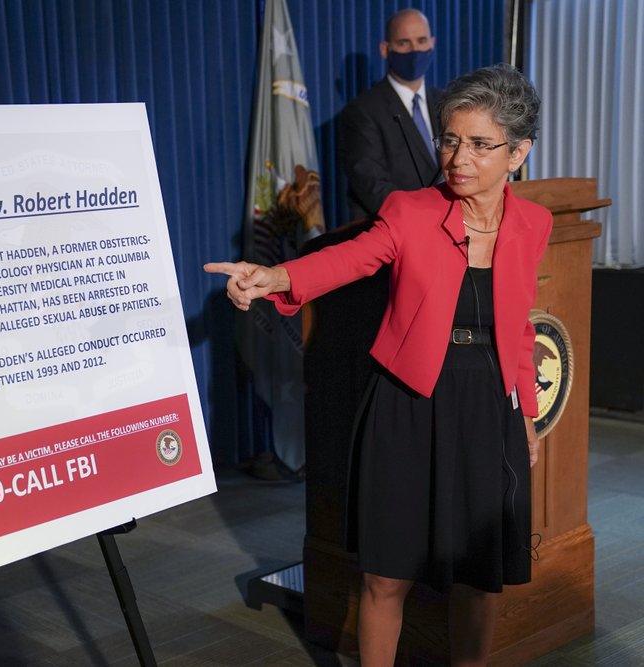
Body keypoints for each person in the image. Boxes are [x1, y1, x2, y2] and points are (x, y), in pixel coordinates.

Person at [206, 63, 549, 665]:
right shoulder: (410, 211)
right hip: (407, 403)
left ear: (517, 154)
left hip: (487, 409)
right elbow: (350, 259)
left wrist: (525, 413)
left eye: (479, 144)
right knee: (386, 576)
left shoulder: (533, 223)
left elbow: (519, 326)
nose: (458, 158)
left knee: (478, 577)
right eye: (449, 140)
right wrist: (276, 277)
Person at [338, 8, 442, 221]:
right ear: (385, 49)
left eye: (421, 41)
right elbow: (372, 185)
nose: (415, 50)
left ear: (432, 43)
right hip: (398, 229)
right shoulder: (361, 112)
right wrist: (426, 217)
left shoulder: (447, 103)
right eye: (404, 43)